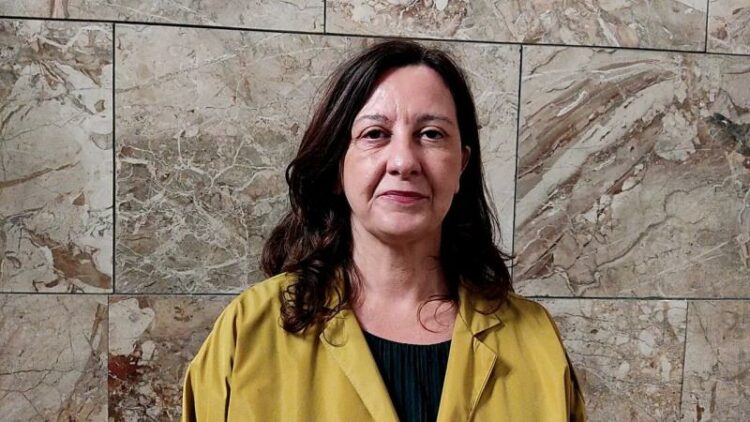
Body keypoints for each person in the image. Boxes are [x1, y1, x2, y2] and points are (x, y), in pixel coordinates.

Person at [181, 40, 586, 422]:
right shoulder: (248, 331)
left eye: (431, 134)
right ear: (337, 165)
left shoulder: (534, 340)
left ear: (461, 165)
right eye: (375, 134)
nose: (403, 162)